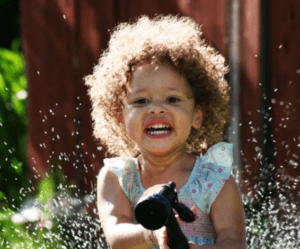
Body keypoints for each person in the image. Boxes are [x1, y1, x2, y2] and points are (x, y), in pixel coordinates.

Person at [85, 15, 246, 249]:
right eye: (141, 101)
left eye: (172, 99)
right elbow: (117, 236)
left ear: (197, 116)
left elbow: (234, 242)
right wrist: (151, 234)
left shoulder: (214, 180)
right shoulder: (118, 178)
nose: (156, 108)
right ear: (120, 117)